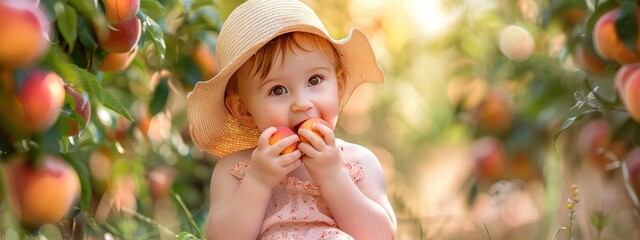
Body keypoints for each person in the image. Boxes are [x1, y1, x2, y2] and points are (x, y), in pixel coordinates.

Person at [186, 0, 397, 239]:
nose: (302, 103)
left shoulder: (358, 163)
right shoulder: (236, 171)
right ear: (244, 111)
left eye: (314, 80)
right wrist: (258, 181)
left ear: (338, 87)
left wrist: (334, 176)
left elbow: (381, 235)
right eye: (278, 90)